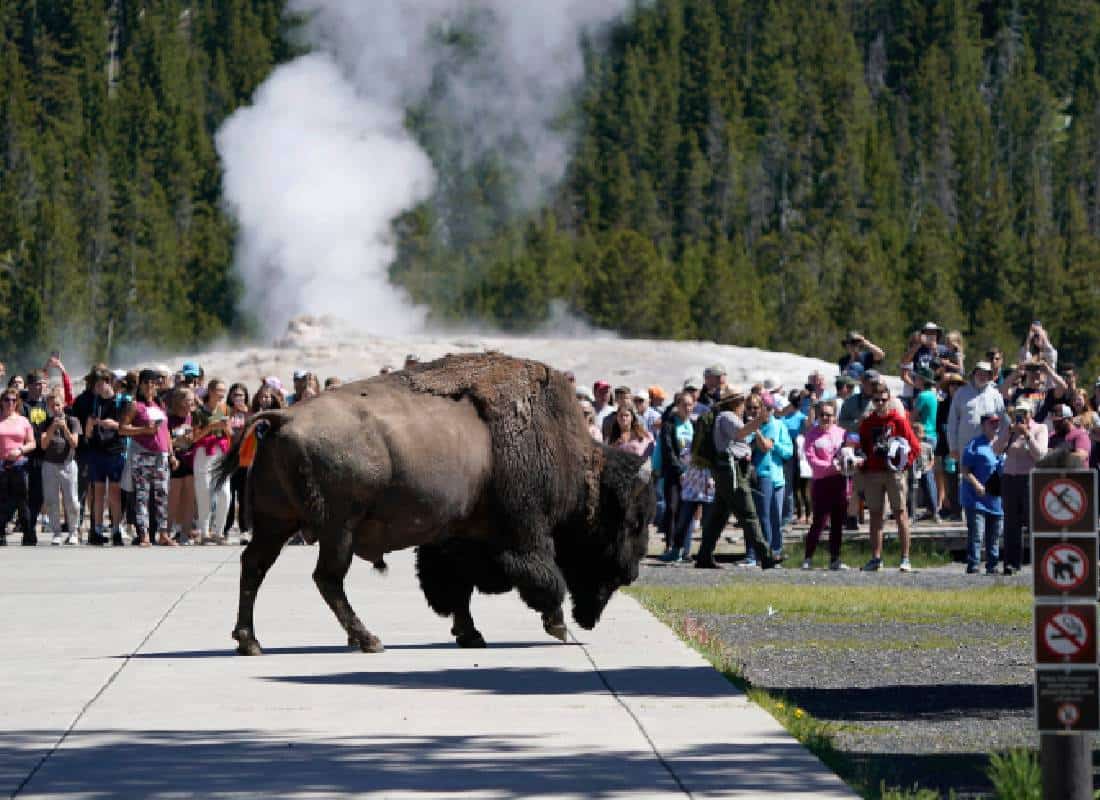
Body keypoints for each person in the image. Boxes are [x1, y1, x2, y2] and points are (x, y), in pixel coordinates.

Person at [694, 390, 773, 569]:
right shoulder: (728, 417)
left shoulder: (725, 417)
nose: (744, 405)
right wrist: (760, 419)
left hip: (728, 470)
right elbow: (741, 433)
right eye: (743, 401)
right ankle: (766, 556)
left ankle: (704, 556)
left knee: (718, 517)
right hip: (732, 471)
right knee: (749, 514)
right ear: (736, 402)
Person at [857, 381, 920, 572]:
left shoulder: (898, 420)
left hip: (894, 474)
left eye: (883, 400)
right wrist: (863, 463)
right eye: (876, 400)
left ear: (889, 399)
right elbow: (861, 448)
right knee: (875, 515)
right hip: (873, 474)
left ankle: (905, 558)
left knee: (900, 513)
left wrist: (903, 464)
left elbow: (915, 447)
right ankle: (876, 558)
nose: (879, 404)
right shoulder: (867, 423)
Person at [119, 370, 173, 547]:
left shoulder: (160, 406)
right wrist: (144, 430)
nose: (150, 386)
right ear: (140, 385)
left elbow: (166, 432)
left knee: (162, 496)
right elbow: (122, 429)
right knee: (142, 496)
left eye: (154, 383)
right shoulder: (135, 405)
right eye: (147, 382)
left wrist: (171, 454)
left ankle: (163, 533)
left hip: (161, 456)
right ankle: (144, 534)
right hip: (142, 455)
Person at [992, 400, 1046, 575]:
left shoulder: (1040, 429)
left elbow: (1040, 454)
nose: (1021, 417)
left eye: (1024, 413)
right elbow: (995, 449)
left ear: (1031, 413)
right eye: (1018, 413)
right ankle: (1011, 563)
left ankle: (1041, 562)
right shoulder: (1010, 430)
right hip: (1009, 478)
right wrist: (1008, 433)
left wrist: (1027, 435)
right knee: (1011, 522)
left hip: (1029, 478)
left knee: (1033, 521)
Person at [802, 400, 850, 570]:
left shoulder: (843, 434)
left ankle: (835, 559)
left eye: (829, 415)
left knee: (837, 523)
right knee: (819, 522)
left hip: (840, 482)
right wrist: (830, 466)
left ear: (834, 416)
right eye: (822, 414)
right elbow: (811, 459)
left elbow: (850, 452)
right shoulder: (811, 435)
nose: (825, 418)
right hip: (821, 483)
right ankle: (808, 557)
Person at [85, 369, 127, 546]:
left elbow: (126, 427)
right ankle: (97, 530)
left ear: (109, 382)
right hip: (97, 451)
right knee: (98, 492)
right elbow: (87, 434)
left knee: (115, 493)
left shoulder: (121, 402)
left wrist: (114, 425)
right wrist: (89, 425)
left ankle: (116, 529)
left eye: (100, 383)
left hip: (115, 451)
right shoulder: (93, 402)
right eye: (95, 384)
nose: (98, 387)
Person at [749, 395, 793, 563]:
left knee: (776, 518)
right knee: (763, 516)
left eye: (768, 408)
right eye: (751, 408)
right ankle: (763, 554)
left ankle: (776, 551)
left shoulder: (779, 425)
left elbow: (788, 452)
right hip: (760, 475)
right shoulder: (754, 426)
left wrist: (775, 445)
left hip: (777, 477)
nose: (755, 411)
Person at [960, 414, 1004, 575]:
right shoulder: (974, 445)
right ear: (983, 426)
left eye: (997, 423)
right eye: (991, 423)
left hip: (996, 498)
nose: (995, 426)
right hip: (976, 498)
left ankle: (993, 565)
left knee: (995, 534)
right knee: (977, 533)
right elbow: (965, 470)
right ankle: (973, 564)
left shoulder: (1002, 444)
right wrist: (976, 484)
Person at [192, 378, 232, 544]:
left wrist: (226, 427)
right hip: (204, 453)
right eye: (219, 391)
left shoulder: (225, 409)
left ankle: (219, 531)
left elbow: (229, 433)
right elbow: (194, 437)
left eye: (223, 391)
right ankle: (204, 532)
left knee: (225, 493)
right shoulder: (198, 412)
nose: (222, 394)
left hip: (221, 452)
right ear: (210, 391)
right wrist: (210, 427)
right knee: (204, 493)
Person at [38, 390, 81, 545]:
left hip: (68, 464)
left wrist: (64, 428)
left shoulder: (73, 421)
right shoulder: (45, 422)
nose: (55, 408)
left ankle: (73, 532)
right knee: (51, 500)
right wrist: (52, 428)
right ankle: (56, 533)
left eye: (57, 405)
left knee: (72, 500)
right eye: (51, 406)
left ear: (63, 404)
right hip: (49, 464)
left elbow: (74, 443)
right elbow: (43, 445)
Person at [947, 361, 1005, 467]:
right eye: (979, 373)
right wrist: (953, 447)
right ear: (974, 374)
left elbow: (1002, 421)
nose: (982, 376)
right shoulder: (961, 393)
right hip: (965, 445)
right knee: (966, 475)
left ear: (990, 376)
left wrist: (999, 444)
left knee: (987, 474)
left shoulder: (996, 395)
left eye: (985, 374)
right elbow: (952, 421)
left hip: (988, 446)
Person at [0, 386, 37, 545]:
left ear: (17, 403)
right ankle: (1, 533)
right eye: (7, 400)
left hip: (19, 464)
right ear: (2, 402)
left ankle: (28, 533)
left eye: (13, 400)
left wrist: (20, 450)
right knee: (2, 500)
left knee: (22, 500)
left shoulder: (23, 421)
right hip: (1, 464)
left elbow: (32, 443)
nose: (10, 403)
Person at [167, 387, 198, 545]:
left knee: (189, 497)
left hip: (191, 459)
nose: (192, 403)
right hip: (176, 460)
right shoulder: (169, 419)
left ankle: (185, 533)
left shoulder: (194, 417)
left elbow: (197, 437)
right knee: (174, 497)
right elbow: (166, 440)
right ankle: (167, 531)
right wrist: (176, 444)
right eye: (188, 400)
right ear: (179, 401)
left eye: (193, 400)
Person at [222, 383, 251, 541]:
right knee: (228, 495)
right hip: (228, 458)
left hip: (246, 458)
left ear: (246, 397)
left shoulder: (251, 413)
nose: (238, 398)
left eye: (241, 395)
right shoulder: (225, 411)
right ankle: (225, 529)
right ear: (230, 397)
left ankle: (244, 529)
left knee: (244, 495)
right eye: (235, 395)